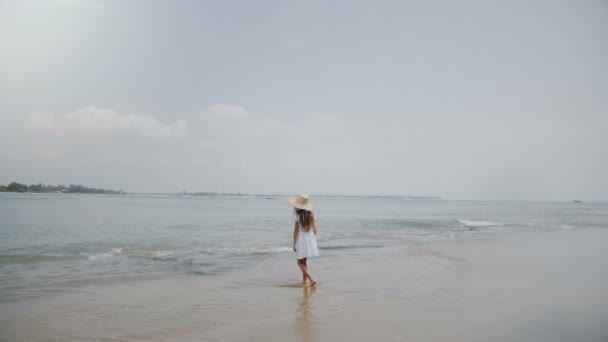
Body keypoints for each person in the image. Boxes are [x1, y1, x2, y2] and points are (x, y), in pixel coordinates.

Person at [289, 194, 319, 287]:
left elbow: (296, 230)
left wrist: (294, 244)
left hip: (301, 239)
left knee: (299, 262)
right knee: (304, 261)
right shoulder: (311, 215)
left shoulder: (297, 216)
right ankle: (304, 281)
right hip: (309, 238)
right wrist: (311, 239)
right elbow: (315, 230)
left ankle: (311, 279)